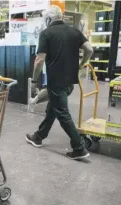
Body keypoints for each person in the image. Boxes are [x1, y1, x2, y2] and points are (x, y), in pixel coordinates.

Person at [25, 5, 93, 160]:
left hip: (56, 81)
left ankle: (79, 148)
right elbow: (89, 49)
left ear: (48, 19)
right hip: (70, 81)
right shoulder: (74, 31)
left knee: (62, 113)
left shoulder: (46, 33)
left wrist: (34, 81)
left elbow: (39, 60)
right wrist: (81, 64)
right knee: (53, 108)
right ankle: (39, 136)